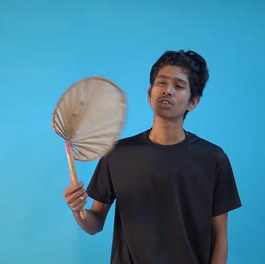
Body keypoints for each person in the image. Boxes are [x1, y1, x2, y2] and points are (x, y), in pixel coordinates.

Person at [63, 49, 242, 264]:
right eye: (161, 83)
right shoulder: (117, 154)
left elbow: (220, 236)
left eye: (179, 85)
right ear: (149, 94)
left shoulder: (213, 159)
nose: (168, 90)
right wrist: (78, 210)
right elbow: (95, 223)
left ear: (193, 102)